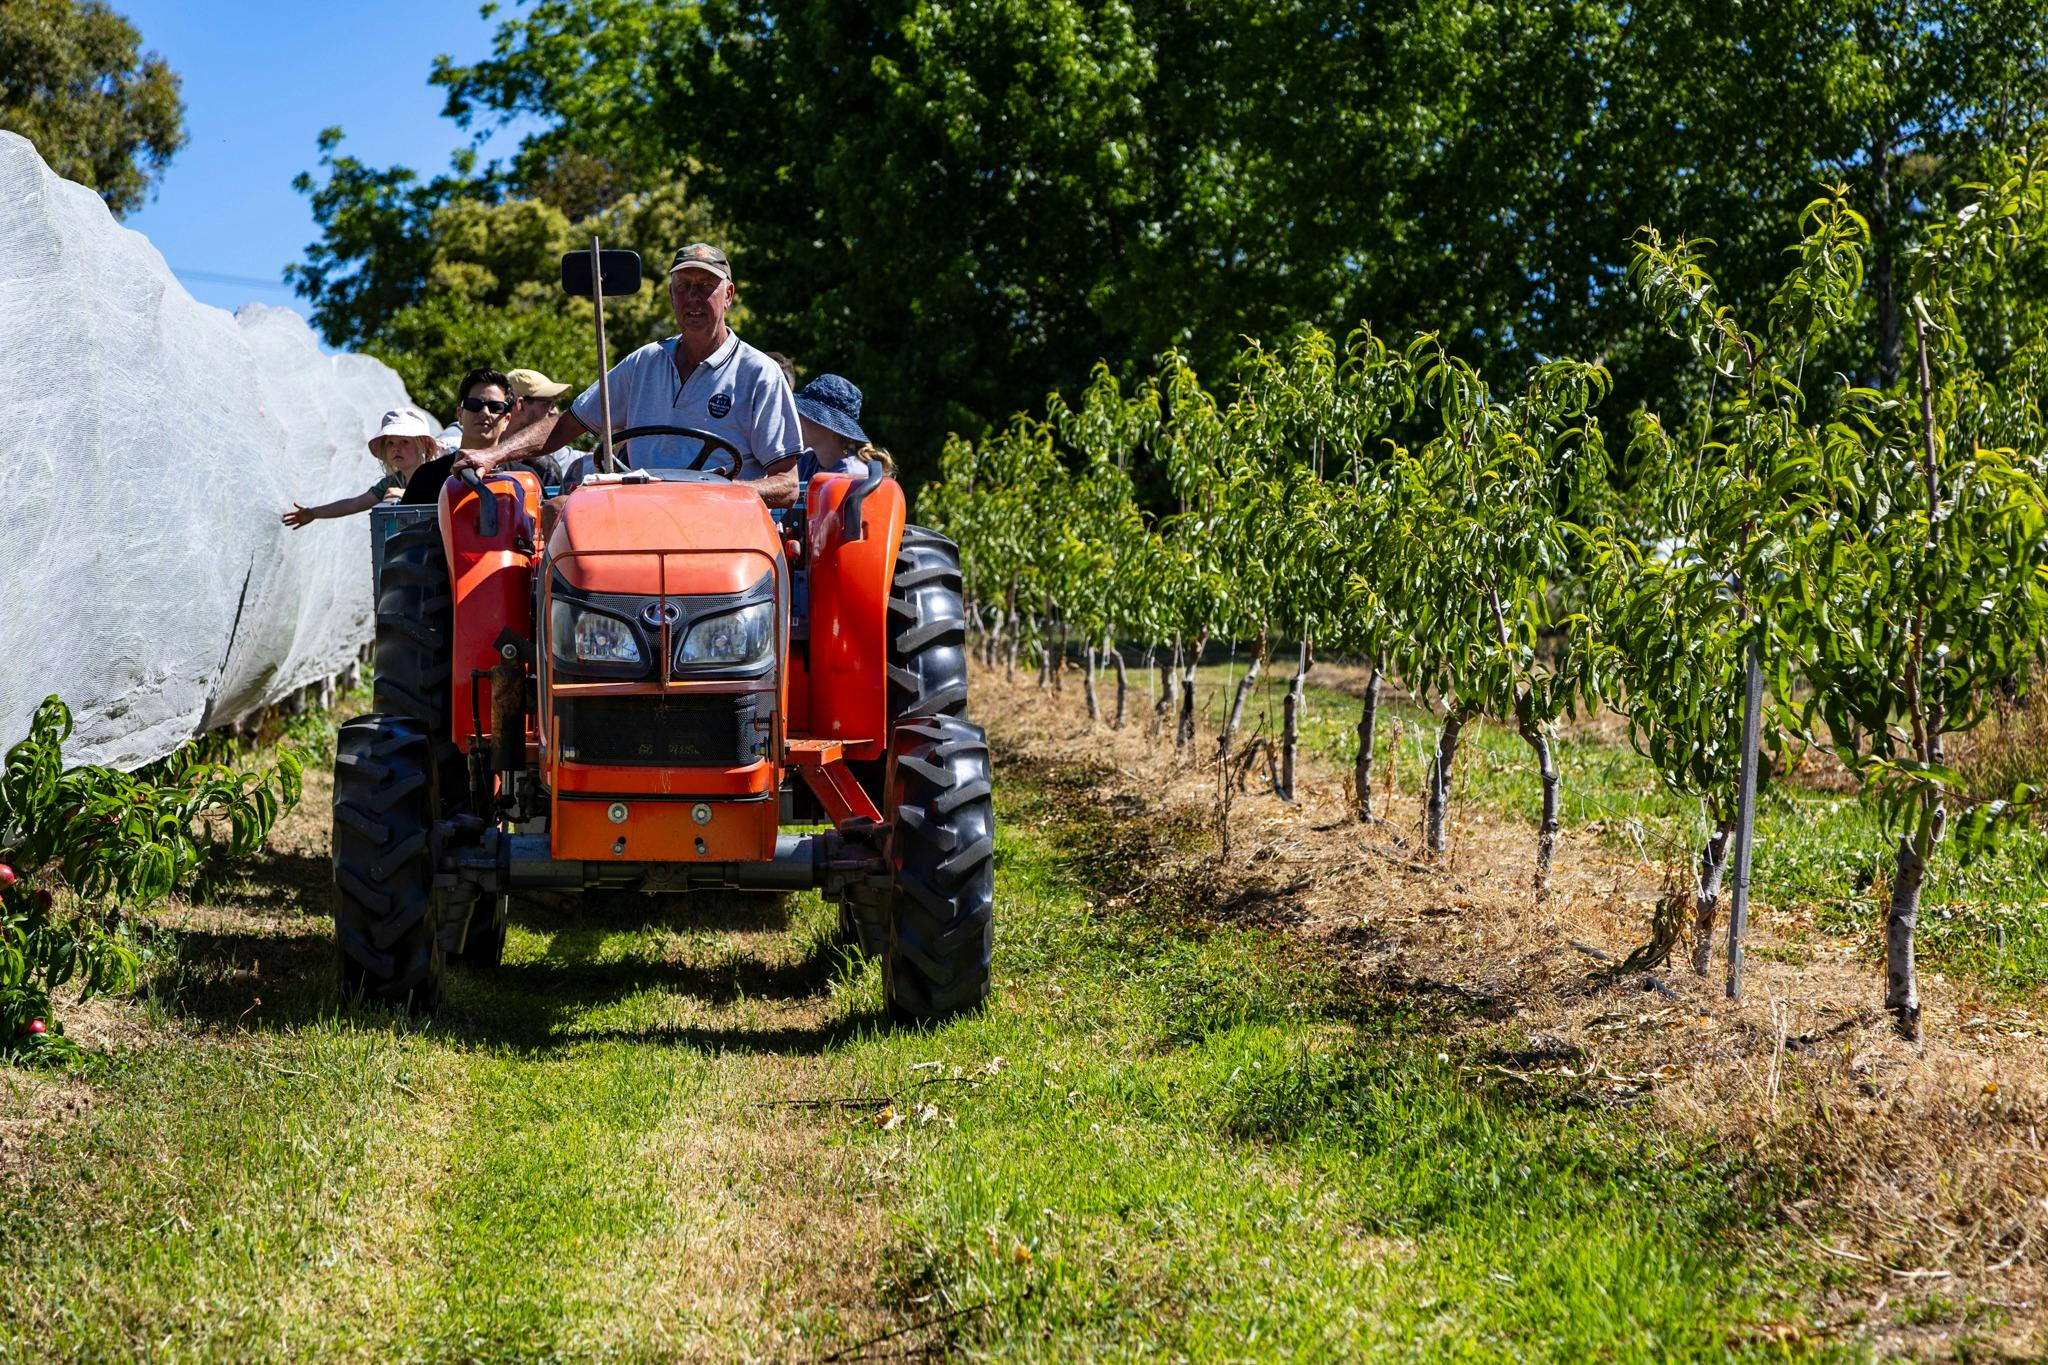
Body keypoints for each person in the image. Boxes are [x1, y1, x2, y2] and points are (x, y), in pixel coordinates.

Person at [454, 243, 805, 507]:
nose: (693, 298)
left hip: (723, 528)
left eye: (705, 285)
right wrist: (492, 455)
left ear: (728, 295)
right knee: (560, 514)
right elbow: (567, 424)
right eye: (684, 286)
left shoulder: (759, 374)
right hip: (641, 516)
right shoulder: (644, 363)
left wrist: (712, 492)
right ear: (670, 294)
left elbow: (786, 485)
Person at [281, 407, 437, 528]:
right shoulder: (391, 483)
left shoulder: (436, 475)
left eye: (404, 441)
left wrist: (406, 494)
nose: (396, 448)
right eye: (390, 443)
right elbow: (354, 504)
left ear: (423, 445)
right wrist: (313, 512)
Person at [403, 368, 515, 505]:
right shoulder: (427, 477)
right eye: (474, 404)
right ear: (460, 414)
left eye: (495, 407)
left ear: (507, 420)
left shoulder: (523, 477)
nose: (485, 412)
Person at [794, 373, 896, 480]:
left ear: (831, 426)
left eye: (808, 412)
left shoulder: (853, 478)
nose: (797, 417)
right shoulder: (806, 461)